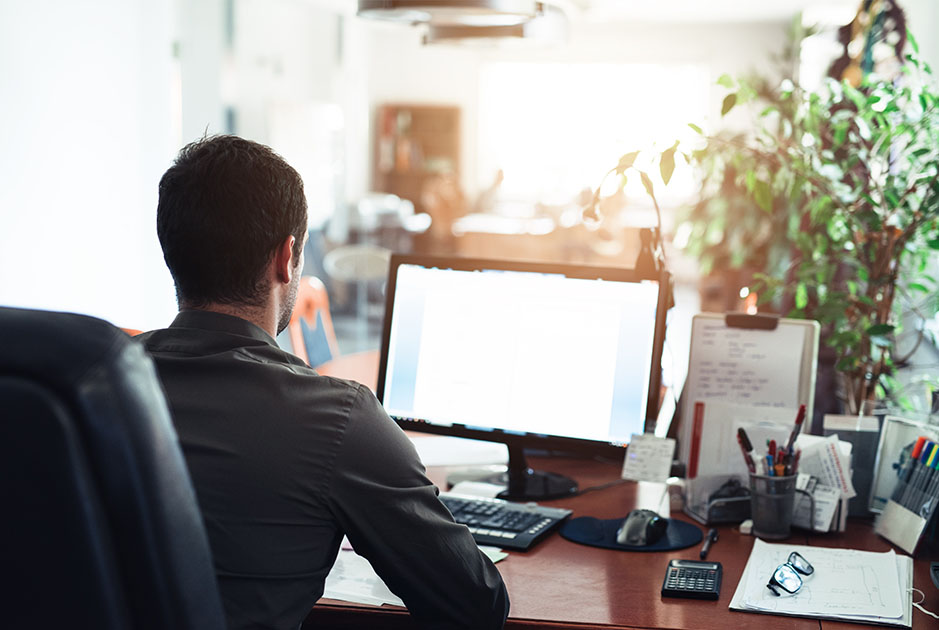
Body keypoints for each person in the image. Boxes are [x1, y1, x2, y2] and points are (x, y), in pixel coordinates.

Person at [138, 135, 509, 630]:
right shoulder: (337, 419)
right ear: (286, 258)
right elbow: (475, 606)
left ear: (171, 250)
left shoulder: (87, 387)